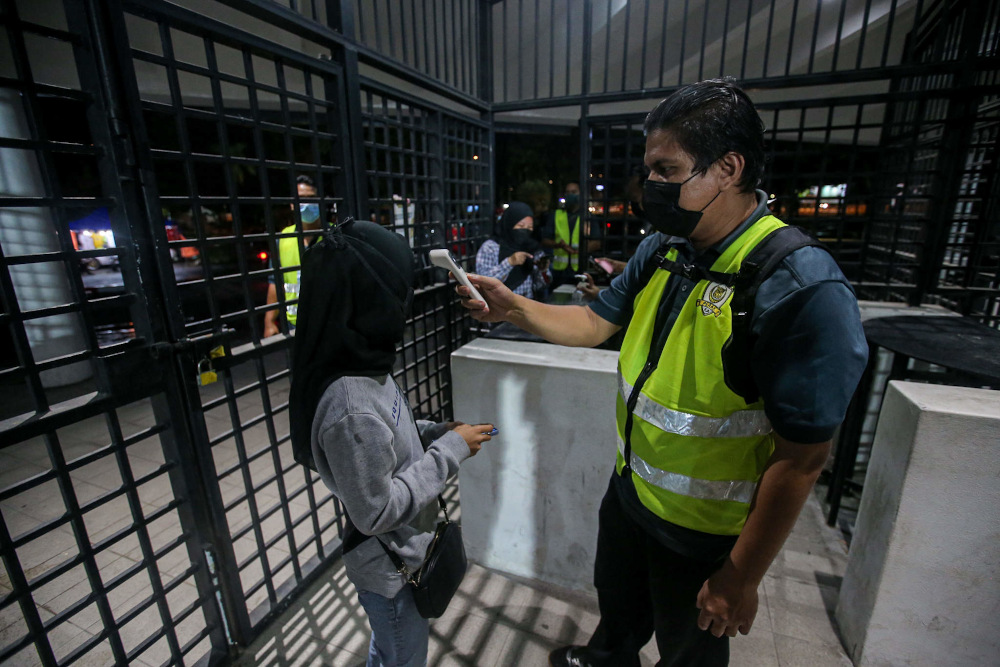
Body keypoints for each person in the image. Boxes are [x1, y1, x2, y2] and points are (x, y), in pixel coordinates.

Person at [454, 78, 868, 667]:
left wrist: (739, 576)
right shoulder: (664, 249)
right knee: (618, 611)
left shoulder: (795, 285)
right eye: (650, 169)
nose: (650, 185)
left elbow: (801, 458)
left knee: (687, 652)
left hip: (703, 530)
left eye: (667, 170)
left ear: (727, 168)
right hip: (630, 492)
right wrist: (514, 306)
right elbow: (594, 324)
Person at [288, 218, 495, 666]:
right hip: (392, 573)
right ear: (369, 300)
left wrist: (432, 433)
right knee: (401, 656)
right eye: (396, 293)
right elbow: (376, 511)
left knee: (389, 651)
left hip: (406, 554)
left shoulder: (364, 363)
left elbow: (389, 434)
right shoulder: (350, 404)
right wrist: (449, 452)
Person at [263, 175, 327, 337]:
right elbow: (275, 282)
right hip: (296, 325)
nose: (307, 203)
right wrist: (269, 321)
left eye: (312, 198)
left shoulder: (336, 235)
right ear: (292, 204)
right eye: (301, 199)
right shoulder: (283, 239)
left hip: (331, 323)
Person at [476, 201, 551, 300]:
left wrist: (542, 270)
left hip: (527, 306)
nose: (525, 230)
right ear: (509, 223)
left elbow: (542, 285)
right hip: (499, 307)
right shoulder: (491, 247)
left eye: (530, 227)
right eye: (520, 226)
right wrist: (509, 262)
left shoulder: (532, 248)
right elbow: (484, 282)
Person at [542, 182, 603, 287]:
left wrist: (579, 251)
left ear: (580, 194)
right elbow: (545, 240)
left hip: (580, 268)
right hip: (559, 272)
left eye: (574, 192)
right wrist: (559, 245)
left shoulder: (588, 217)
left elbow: (596, 243)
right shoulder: (556, 215)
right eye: (568, 192)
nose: (570, 195)